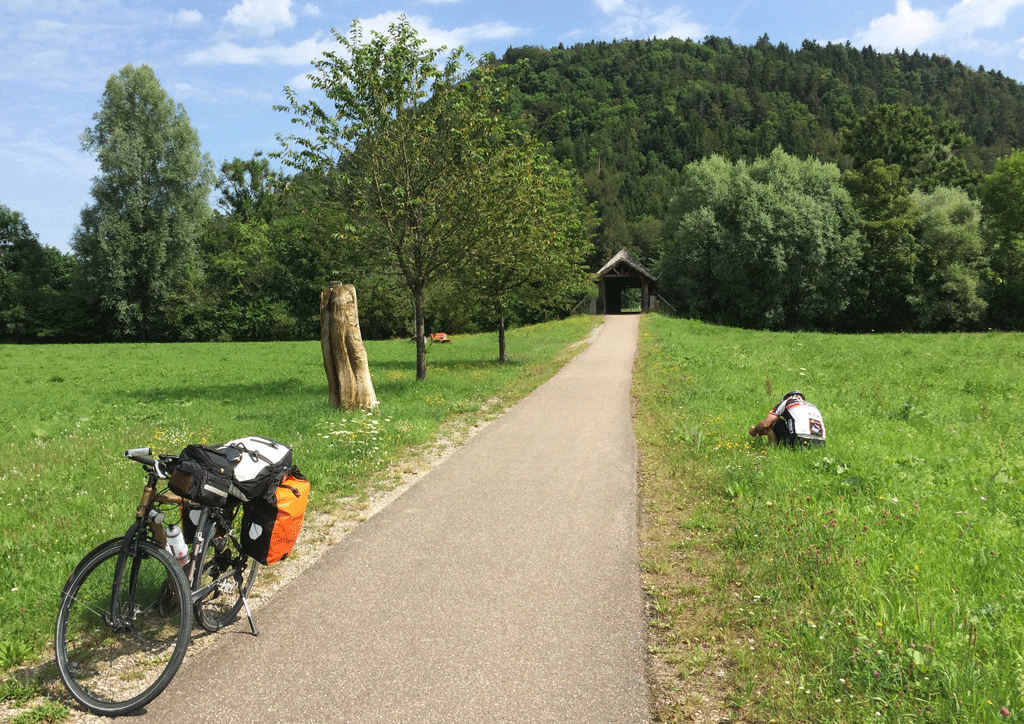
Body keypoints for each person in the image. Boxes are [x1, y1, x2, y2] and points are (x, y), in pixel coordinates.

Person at [749, 390, 826, 447]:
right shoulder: (812, 405)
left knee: (773, 422)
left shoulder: (786, 402)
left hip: (799, 440)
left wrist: (755, 431)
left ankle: (774, 450)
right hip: (820, 443)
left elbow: (765, 424)